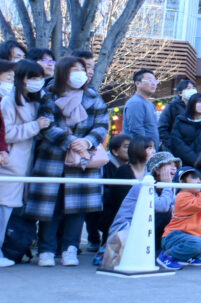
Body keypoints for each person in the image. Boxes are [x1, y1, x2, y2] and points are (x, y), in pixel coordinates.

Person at [27, 56, 109, 267]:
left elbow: (102, 124)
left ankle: (70, 248)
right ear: (63, 72)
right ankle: (46, 249)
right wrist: (71, 141)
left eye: (82, 68)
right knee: (50, 206)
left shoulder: (93, 96)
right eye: (74, 69)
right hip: (53, 158)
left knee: (77, 208)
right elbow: (46, 124)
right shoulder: (49, 95)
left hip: (83, 160)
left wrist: (87, 142)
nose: (80, 73)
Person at [0, 60, 49, 267]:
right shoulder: (8, 102)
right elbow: (6, 133)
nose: (37, 81)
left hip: (22, 166)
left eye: (40, 77)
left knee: (9, 212)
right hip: (9, 166)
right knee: (3, 211)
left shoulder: (35, 101)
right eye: (33, 77)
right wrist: (35, 126)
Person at [158, 166, 201, 270]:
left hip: (190, 236)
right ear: (182, 182)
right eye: (194, 178)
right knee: (199, 244)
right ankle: (167, 255)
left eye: (199, 178)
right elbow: (200, 204)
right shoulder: (182, 196)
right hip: (173, 236)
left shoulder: (199, 195)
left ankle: (186, 257)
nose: (199, 181)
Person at [168, 92, 201, 166]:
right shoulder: (180, 123)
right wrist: (195, 160)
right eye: (199, 102)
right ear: (191, 104)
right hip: (183, 165)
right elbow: (177, 144)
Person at [122, 68, 160, 149]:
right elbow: (136, 131)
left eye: (155, 81)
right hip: (142, 151)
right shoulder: (135, 103)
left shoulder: (150, 104)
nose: (153, 83)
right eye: (149, 80)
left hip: (151, 151)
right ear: (137, 83)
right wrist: (146, 149)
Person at [157, 79, 196, 148]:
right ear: (180, 93)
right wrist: (170, 143)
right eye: (188, 88)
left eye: (193, 88)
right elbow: (162, 127)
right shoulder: (172, 106)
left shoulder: (196, 107)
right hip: (175, 146)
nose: (192, 90)